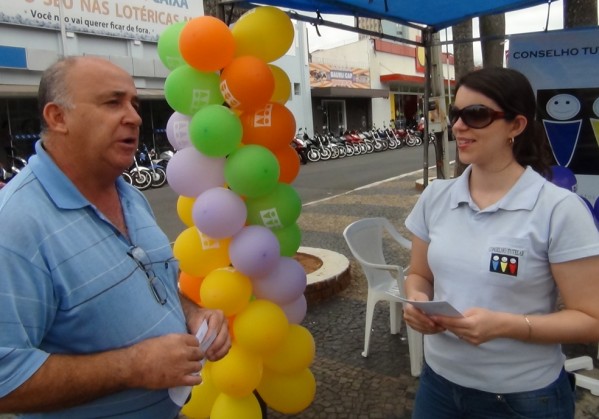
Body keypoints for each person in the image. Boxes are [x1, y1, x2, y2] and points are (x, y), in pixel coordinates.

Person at [0, 56, 231, 418]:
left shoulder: (129, 194)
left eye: (135, 104)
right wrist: (131, 367)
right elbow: (5, 379)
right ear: (58, 117)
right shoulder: (14, 225)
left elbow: (159, 284)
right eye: (113, 102)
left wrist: (194, 314)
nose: (135, 117)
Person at [403, 67, 599, 419]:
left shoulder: (558, 209)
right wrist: (417, 301)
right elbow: (419, 274)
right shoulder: (436, 196)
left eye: (476, 115)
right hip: (438, 386)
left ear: (516, 125)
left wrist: (505, 326)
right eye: (456, 114)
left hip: (522, 398)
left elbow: (591, 319)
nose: (459, 126)